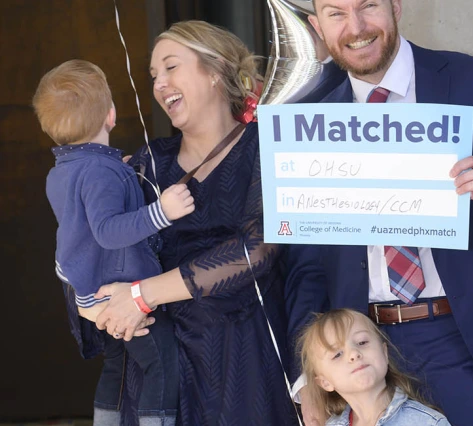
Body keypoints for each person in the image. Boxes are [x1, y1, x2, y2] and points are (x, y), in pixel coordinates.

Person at [285, 1, 473, 426]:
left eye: (368, 6)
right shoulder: (304, 117)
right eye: (336, 13)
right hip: (360, 354)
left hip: (461, 337)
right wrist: (306, 378)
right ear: (317, 26)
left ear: (396, 6)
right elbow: (305, 267)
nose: (356, 26)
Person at [92, 21, 299, 425]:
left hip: (246, 361)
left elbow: (257, 248)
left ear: (216, 71)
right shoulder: (149, 162)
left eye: (171, 67)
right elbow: (99, 244)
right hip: (163, 367)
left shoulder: (270, 146)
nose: (159, 83)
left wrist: (143, 294)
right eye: (154, 75)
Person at [33, 60, 194, 426]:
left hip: (86, 289)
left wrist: (118, 175)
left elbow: (86, 215)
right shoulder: (99, 172)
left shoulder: (63, 170)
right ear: (111, 115)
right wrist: (163, 211)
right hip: (117, 290)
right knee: (160, 362)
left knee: (117, 365)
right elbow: (107, 230)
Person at [299, 309, 450, 425]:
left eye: (362, 342)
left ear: (384, 353)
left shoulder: (427, 422)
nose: (354, 354)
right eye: (337, 354)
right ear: (325, 382)